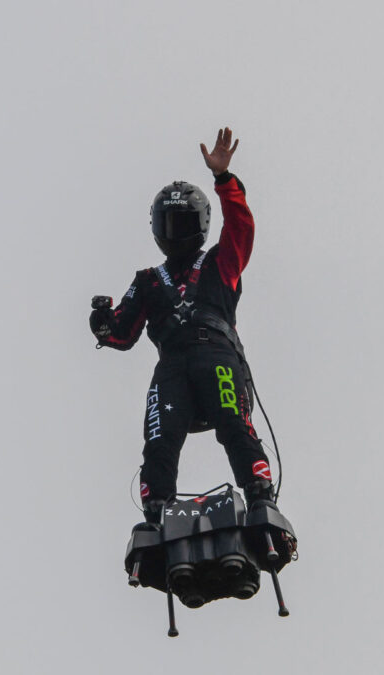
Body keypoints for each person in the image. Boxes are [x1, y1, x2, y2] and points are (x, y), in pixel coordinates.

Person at [90, 127, 274, 525]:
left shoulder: (218, 262)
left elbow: (241, 228)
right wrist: (102, 324)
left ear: (201, 225)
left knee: (235, 424)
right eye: (170, 224)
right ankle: (156, 511)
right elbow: (121, 333)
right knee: (159, 439)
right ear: (158, 228)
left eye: (184, 223)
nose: (177, 232)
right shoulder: (148, 280)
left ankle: (261, 496)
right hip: (171, 365)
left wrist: (224, 179)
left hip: (217, 354)